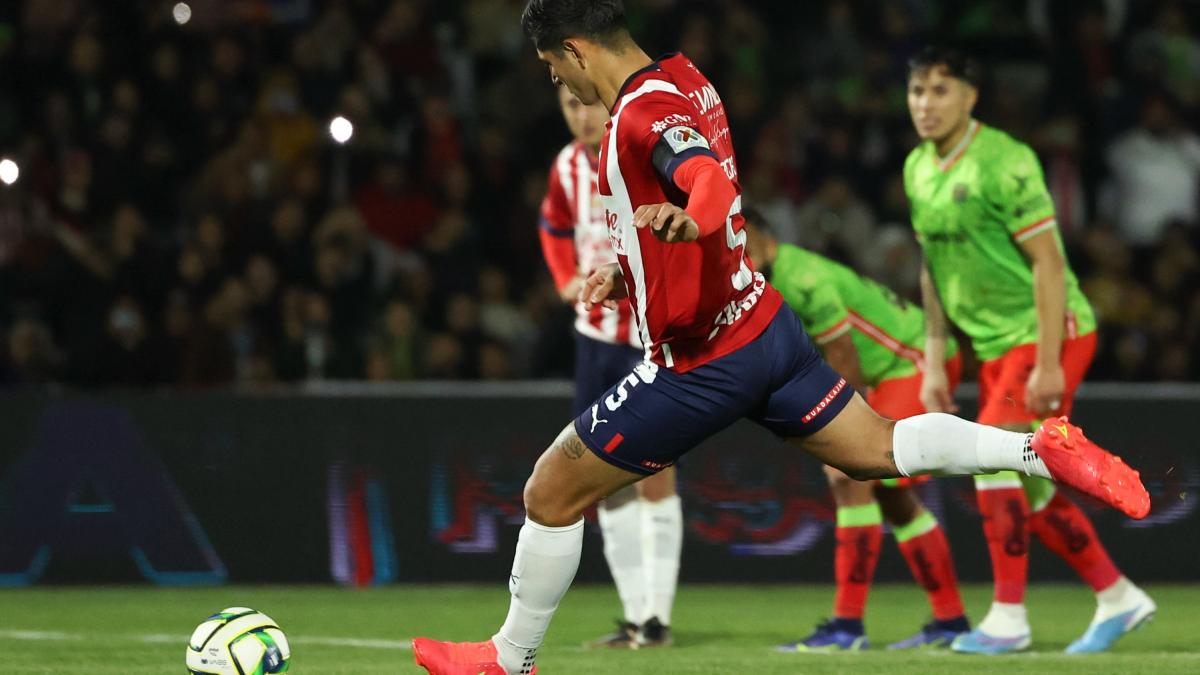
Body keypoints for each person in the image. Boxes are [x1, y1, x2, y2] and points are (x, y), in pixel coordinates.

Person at [412, 6, 1148, 674]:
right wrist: (632, 275)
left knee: (550, 489)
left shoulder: (639, 114)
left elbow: (702, 179)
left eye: (554, 68)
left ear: (574, 51)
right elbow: (699, 187)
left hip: (701, 360)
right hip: (765, 326)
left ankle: (509, 658)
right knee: (880, 447)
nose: (559, 82)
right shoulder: (688, 79)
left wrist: (693, 218)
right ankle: (1034, 448)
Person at [903, 45, 1156, 655]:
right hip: (994, 346)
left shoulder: (1006, 162)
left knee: (992, 456)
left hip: (1048, 332)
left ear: (971, 96)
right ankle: (1118, 597)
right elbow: (932, 270)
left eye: (940, 91)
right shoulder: (916, 168)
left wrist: (1047, 360)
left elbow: (1048, 263)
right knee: (1031, 478)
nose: (925, 105)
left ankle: (1008, 619)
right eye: (916, 92)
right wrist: (935, 359)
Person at [741, 207, 970, 652]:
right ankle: (951, 620)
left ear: (761, 235)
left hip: (913, 359)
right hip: (892, 368)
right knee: (892, 497)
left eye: (740, 236)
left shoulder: (801, 278)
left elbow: (842, 353)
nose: (737, 251)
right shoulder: (770, 280)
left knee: (849, 477)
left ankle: (847, 626)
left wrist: (846, 433)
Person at [539, 83, 680, 648]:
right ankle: (635, 616)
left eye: (587, 104)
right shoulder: (568, 166)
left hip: (650, 339)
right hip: (594, 340)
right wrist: (563, 277)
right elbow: (553, 225)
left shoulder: (639, 156)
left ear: (609, 105)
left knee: (656, 472)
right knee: (603, 482)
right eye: (569, 106)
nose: (580, 116)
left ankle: (658, 619)